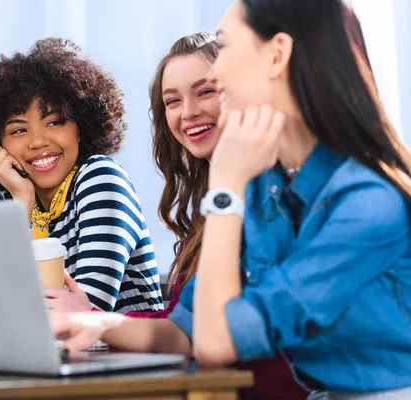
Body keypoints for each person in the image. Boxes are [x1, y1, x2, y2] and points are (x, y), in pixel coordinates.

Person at [51, 1, 411, 398]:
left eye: (225, 49)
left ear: (276, 56)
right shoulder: (265, 187)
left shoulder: (368, 203)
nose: (217, 70)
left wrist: (224, 187)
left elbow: (215, 343)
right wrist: (98, 325)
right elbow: (186, 329)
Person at [0, 38, 163, 325]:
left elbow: (83, 310)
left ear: (80, 128)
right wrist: (20, 204)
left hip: (126, 363)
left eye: (54, 122)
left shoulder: (101, 179)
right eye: (19, 130)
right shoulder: (7, 195)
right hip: (54, 361)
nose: (38, 142)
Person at [124, 32, 307, 400]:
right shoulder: (212, 207)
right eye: (172, 101)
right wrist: (91, 321)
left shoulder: (271, 196)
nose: (188, 111)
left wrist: (97, 323)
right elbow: (185, 323)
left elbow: (203, 337)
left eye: (205, 91)